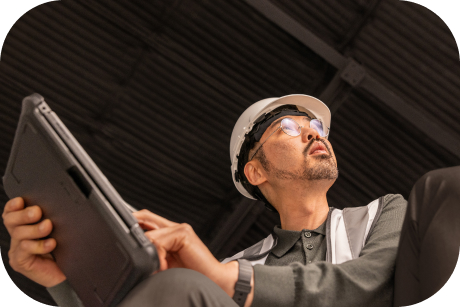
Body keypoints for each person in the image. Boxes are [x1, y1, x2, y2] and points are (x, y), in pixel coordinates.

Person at [2, 95, 457, 307]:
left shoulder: (385, 213)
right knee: (174, 290)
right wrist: (65, 281)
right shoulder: (229, 270)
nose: (315, 132)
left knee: (444, 189)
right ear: (255, 171)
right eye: (292, 128)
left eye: (318, 127)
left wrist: (230, 280)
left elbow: (369, 288)